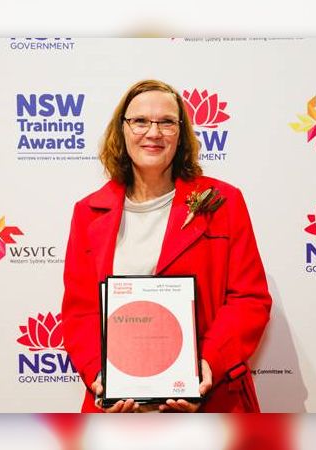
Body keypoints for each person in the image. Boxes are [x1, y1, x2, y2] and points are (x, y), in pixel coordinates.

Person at [61, 79, 272, 413]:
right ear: (123, 130)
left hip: (209, 400)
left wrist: (208, 364)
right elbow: (80, 312)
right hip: (120, 411)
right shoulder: (87, 213)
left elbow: (249, 299)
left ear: (181, 132)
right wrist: (99, 374)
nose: (153, 132)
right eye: (141, 121)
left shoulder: (223, 202)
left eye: (166, 122)